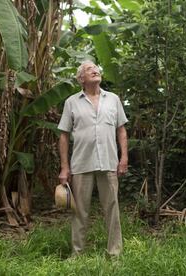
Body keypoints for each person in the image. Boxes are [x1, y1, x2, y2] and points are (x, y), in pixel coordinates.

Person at [57, 60, 128, 257]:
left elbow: (121, 130)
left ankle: (115, 253)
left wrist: (124, 158)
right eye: (90, 69)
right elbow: (63, 135)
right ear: (81, 79)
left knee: (112, 210)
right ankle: (77, 254)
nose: (96, 70)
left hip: (109, 162)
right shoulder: (71, 102)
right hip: (81, 163)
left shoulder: (113, 99)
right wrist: (64, 167)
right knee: (80, 211)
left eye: (96, 67)